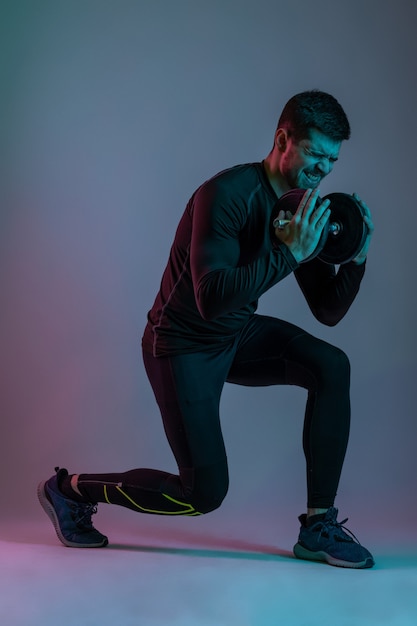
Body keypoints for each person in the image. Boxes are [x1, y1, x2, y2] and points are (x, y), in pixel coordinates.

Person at [38, 90, 375, 568]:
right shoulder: (225, 196)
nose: (324, 169)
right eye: (316, 154)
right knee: (202, 494)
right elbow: (211, 298)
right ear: (284, 139)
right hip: (181, 346)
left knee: (330, 365)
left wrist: (357, 259)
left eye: (333, 159)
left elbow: (328, 310)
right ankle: (69, 490)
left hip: (234, 335)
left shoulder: (300, 208)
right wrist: (290, 253)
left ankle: (319, 527)